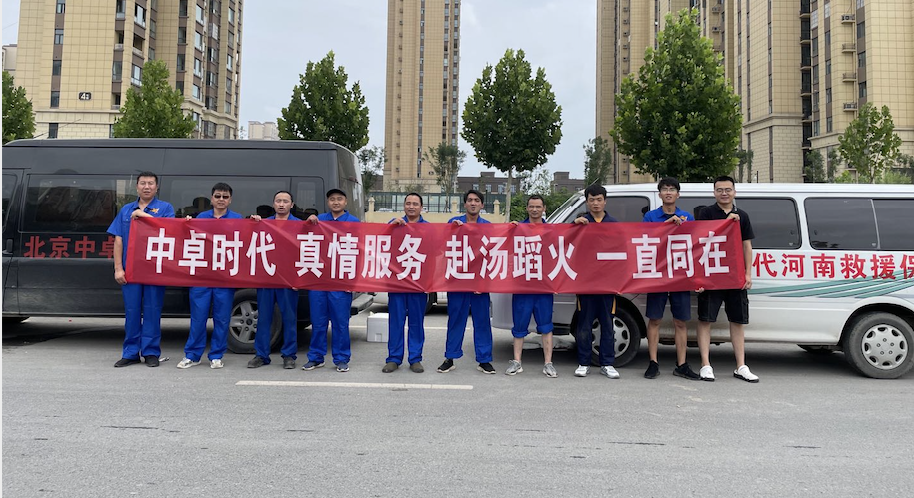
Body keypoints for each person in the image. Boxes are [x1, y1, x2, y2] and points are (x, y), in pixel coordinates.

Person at [696, 175, 758, 383]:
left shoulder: (742, 216)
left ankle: (741, 366)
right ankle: (706, 365)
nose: (724, 193)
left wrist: (747, 273)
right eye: (720, 190)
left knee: (737, 320)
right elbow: (699, 241)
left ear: (734, 192)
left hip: (735, 276)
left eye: (728, 189)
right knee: (706, 319)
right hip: (712, 275)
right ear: (714, 192)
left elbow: (746, 246)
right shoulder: (706, 213)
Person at [109, 172, 175, 368]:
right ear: (137, 187)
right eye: (143, 183)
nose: (147, 187)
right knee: (132, 312)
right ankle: (130, 352)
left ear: (157, 187)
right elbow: (118, 240)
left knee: (153, 311)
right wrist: (118, 268)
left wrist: (142, 215)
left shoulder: (165, 208)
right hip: (131, 269)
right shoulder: (126, 210)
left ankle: (151, 351)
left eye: (151, 183)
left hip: (155, 269)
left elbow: (169, 229)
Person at [177, 183, 243, 370]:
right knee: (198, 317)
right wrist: (186, 224)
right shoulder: (201, 218)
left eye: (225, 197)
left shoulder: (238, 219)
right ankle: (192, 355)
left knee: (222, 318)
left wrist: (256, 222)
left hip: (224, 276)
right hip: (202, 276)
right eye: (218, 196)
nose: (221, 200)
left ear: (230, 200)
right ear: (212, 199)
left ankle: (216, 355)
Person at [641, 178, 701, 380]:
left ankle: (681, 364)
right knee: (655, 319)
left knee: (681, 321)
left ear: (678, 194)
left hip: (680, 275)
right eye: (665, 189)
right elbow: (644, 241)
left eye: (672, 189)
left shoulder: (687, 217)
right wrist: (665, 227)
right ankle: (653, 362)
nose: (668, 192)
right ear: (659, 194)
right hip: (657, 274)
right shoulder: (650, 217)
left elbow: (695, 247)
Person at [437, 189, 496, 375]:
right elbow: (442, 246)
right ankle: (450, 357)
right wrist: (452, 230)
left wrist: (485, 282)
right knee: (456, 320)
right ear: (465, 204)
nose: (473, 203)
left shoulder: (488, 227)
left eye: (476, 200)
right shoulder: (454, 223)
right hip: (458, 282)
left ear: (482, 205)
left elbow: (493, 254)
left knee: (482, 321)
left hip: (479, 283)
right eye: (469, 200)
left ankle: (484, 360)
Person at [303, 189, 360, 373]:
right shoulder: (319, 220)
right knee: (318, 322)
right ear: (328, 202)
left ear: (346, 202)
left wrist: (353, 282)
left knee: (340, 323)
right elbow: (302, 239)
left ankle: (341, 359)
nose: (336, 202)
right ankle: (316, 357)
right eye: (332, 199)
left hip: (341, 281)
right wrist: (308, 223)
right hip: (319, 279)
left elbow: (359, 253)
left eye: (339, 199)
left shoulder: (354, 223)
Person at [247, 191, 301, 369]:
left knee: (289, 318)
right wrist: (253, 223)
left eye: (285, 201)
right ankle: (261, 355)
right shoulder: (263, 223)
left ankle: (289, 355)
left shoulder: (299, 225)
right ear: (273, 204)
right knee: (264, 318)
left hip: (288, 280)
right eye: (278, 201)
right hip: (266, 278)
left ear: (292, 205)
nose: (282, 204)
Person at [571, 184, 620, 379]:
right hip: (586, 284)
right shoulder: (581, 222)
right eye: (592, 200)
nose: (596, 203)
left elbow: (621, 253)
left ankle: (607, 363)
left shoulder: (614, 224)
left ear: (605, 201)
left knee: (607, 324)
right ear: (587, 202)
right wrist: (574, 226)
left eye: (599, 199)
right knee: (584, 324)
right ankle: (583, 362)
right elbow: (566, 243)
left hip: (608, 285)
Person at [505, 195, 557, 378]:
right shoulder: (518, 228)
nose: (535, 210)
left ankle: (548, 363)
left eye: (538, 207)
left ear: (544, 209)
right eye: (531, 206)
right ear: (527, 208)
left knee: (546, 326)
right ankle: (517, 362)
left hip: (544, 286)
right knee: (519, 325)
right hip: (523, 285)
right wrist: (509, 230)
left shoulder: (551, 230)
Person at [383, 193, 430, 373]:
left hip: (418, 284)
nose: (411, 207)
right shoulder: (394, 224)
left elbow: (436, 253)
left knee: (416, 323)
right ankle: (394, 358)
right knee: (396, 321)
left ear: (421, 207)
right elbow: (380, 240)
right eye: (408, 203)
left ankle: (415, 358)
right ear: (404, 206)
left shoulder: (428, 229)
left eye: (415, 204)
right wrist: (391, 227)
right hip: (397, 283)